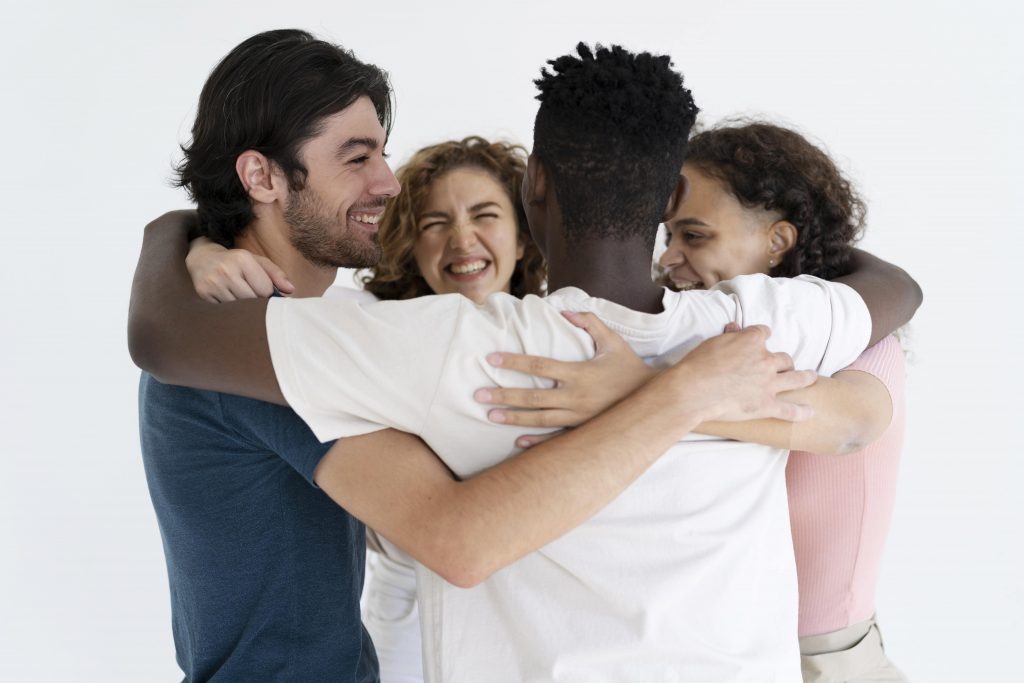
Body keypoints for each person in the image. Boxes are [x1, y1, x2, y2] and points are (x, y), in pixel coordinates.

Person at [129, 43, 922, 681]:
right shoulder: (761, 325)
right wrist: (678, 392)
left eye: (382, 153)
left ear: (531, 189)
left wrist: (176, 235)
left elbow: (165, 330)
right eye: (357, 158)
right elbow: (892, 288)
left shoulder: (433, 345)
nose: (387, 182)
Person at [492, 121, 911, 682]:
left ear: (778, 242)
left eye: (695, 236)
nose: (669, 259)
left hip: (825, 662)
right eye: (668, 237)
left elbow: (852, 425)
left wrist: (637, 387)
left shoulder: (859, 342)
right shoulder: (699, 346)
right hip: (720, 650)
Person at [185, 135, 547, 682]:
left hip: (532, 630)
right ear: (409, 243)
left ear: (522, 239)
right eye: (433, 223)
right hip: (407, 632)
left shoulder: (561, 334)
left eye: (486, 214)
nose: (462, 239)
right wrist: (197, 248)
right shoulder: (362, 328)